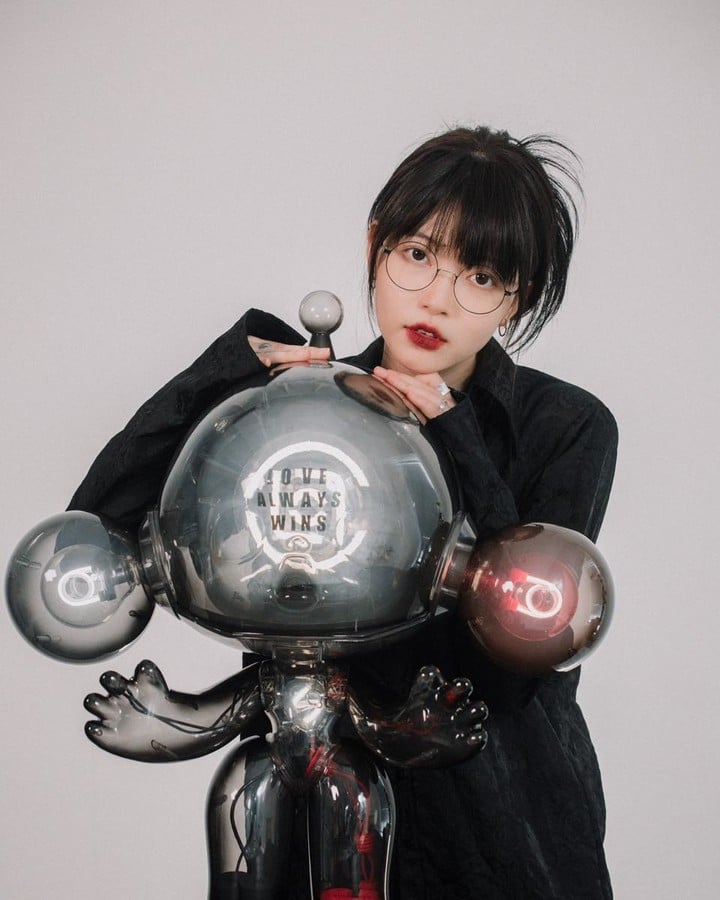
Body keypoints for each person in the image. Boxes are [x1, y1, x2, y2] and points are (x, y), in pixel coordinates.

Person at [69, 125, 617, 899]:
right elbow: (96, 532)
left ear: (516, 296)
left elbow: (520, 655)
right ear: (374, 244)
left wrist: (453, 431)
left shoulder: (567, 426)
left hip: (497, 818)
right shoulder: (295, 412)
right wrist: (230, 373)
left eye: (481, 275)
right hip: (308, 816)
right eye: (417, 254)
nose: (437, 297)